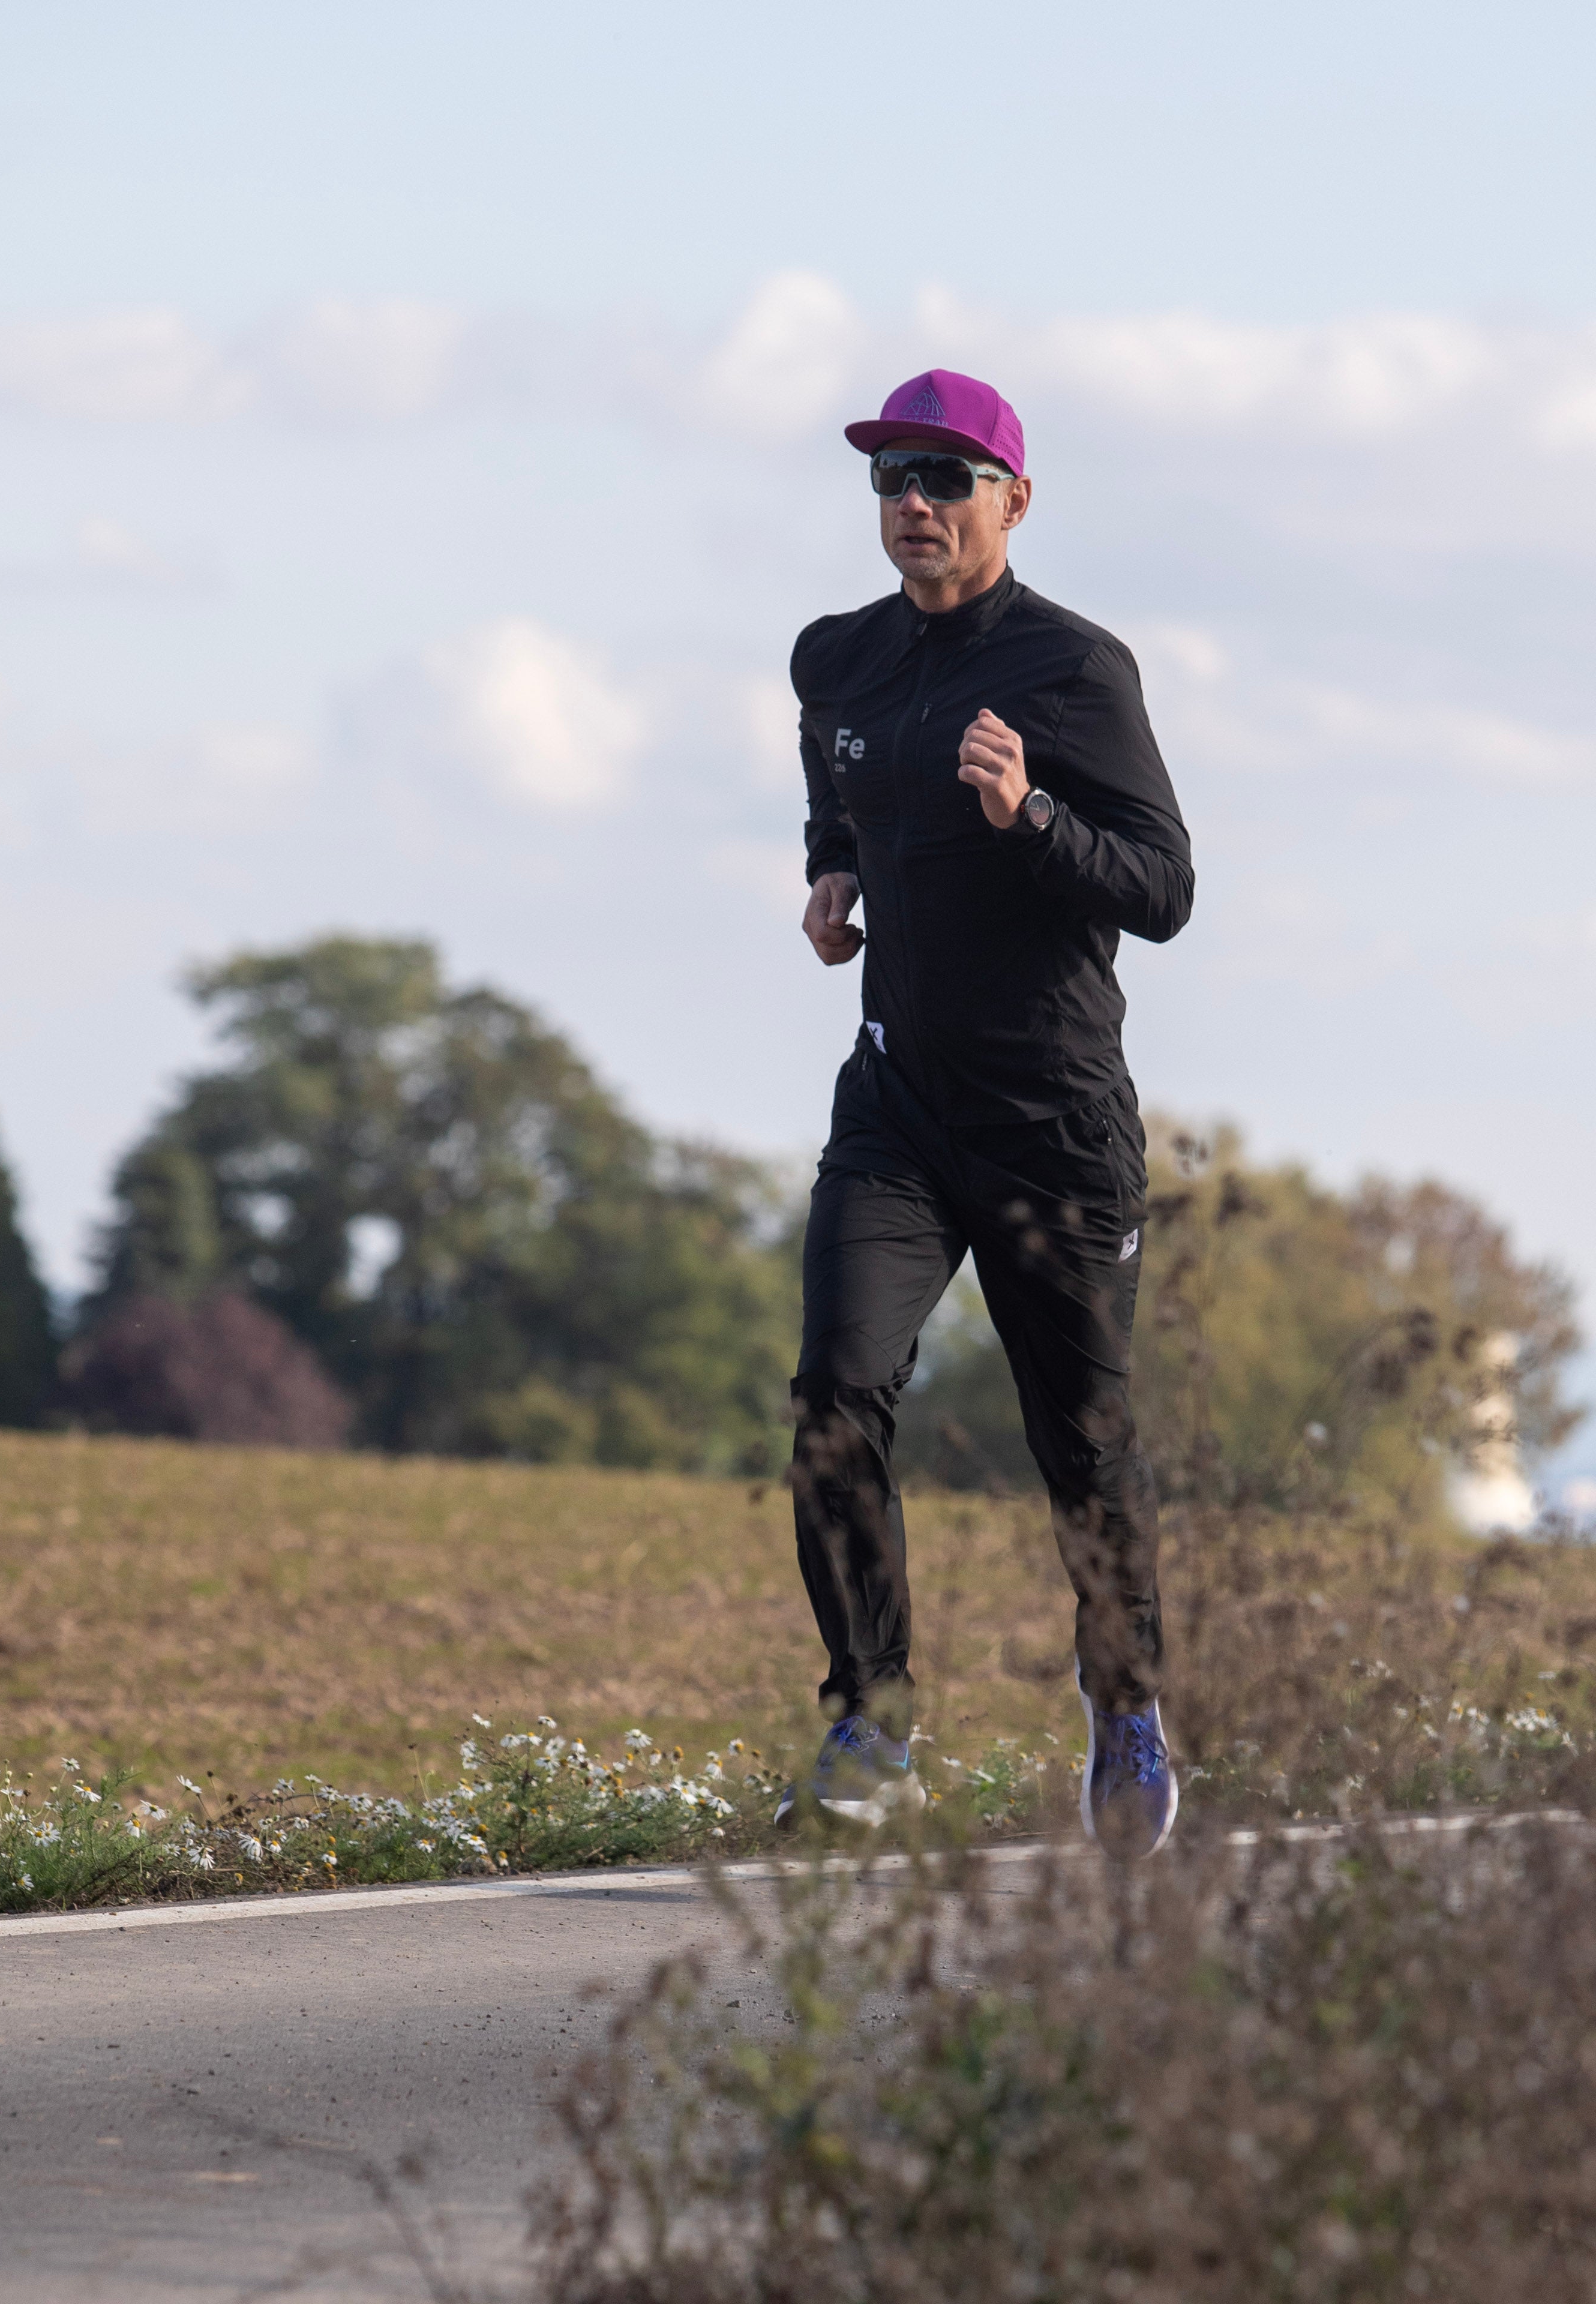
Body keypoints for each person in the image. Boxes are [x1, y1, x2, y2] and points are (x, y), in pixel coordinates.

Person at [778, 368, 1193, 1859]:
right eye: (892, 477)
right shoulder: (836, 657)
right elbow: (840, 783)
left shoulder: (1075, 671)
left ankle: (1127, 1710)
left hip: (1050, 1124)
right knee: (836, 1392)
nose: (914, 504)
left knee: (1082, 1445)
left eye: (946, 479)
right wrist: (833, 871)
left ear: (1014, 500)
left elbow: (1164, 890)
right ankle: (873, 1721)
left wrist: (1033, 816)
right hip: (897, 1106)